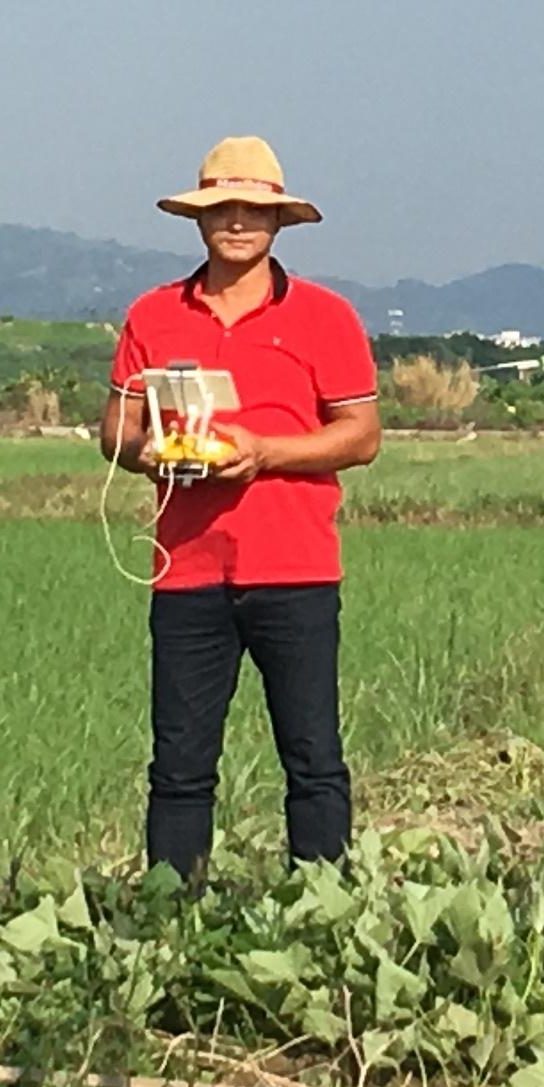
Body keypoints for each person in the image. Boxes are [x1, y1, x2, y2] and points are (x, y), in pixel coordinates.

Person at [101, 136, 381, 880]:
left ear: (279, 222)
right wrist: (159, 452)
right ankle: (169, 921)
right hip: (186, 568)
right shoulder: (153, 315)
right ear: (199, 218)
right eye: (222, 207)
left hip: (295, 566)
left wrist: (264, 453)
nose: (237, 221)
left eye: (254, 209)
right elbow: (116, 433)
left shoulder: (326, 317)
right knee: (181, 765)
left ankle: (322, 912)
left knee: (314, 757)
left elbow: (360, 436)